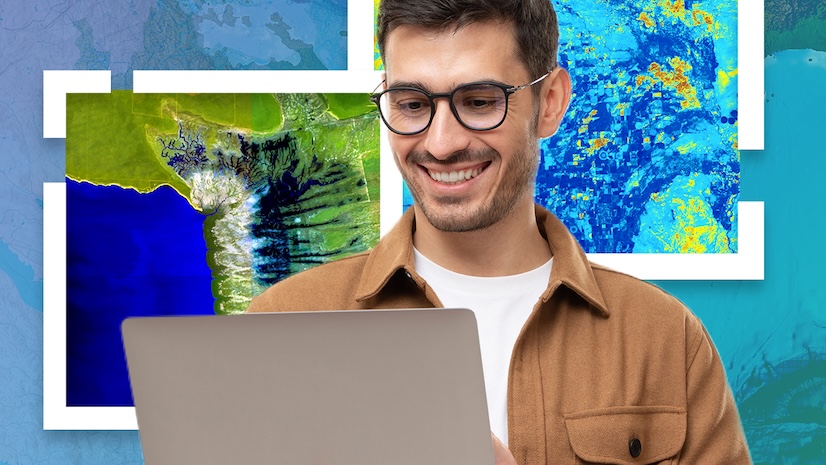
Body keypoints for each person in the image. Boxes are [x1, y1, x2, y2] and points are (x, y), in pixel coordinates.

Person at [247, 0, 752, 463]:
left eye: (481, 101)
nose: (441, 144)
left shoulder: (665, 340)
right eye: (411, 104)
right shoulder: (280, 325)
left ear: (550, 102)